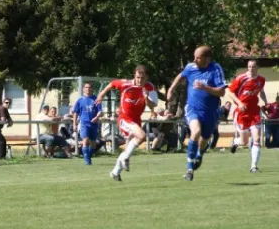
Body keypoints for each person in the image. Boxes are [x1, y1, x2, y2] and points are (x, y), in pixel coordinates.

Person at [167, 46, 227, 181]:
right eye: (194, 56)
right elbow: (181, 76)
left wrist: (205, 87)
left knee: (205, 139)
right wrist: (171, 89)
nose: (195, 59)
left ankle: (199, 155)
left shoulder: (215, 69)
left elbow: (221, 92)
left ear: (207, 58)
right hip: (192, 108)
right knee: (196, 132)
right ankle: (189, 169)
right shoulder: (190, 67)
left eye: (198, 57)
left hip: (210, 111)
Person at [96, 65, 158, 181]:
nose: (140, 80)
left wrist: (146, 97)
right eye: (138, 77)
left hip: (136, 120)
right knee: (142, 136)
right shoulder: (125, 84)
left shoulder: (149, 87)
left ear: (147, 77)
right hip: (124, 118)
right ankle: (125, 158)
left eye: (143, 78)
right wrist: (101, 94)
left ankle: (115, 172)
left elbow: (153, 105)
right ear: (134, 75)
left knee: (129, 146)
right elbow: (112, 84)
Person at [226, 60, 267, 172]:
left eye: (253, 67)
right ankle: (235, 142)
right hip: (241, 112)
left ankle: (253, 166)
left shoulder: (261, 80)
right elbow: (230, 92)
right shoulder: (241, 78)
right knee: (244, 142)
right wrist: (239, 103)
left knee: (257, 138)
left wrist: (266, 103)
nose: (251, 69)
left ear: (257, 67)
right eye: (249, 67)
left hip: (254, 111)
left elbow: (261, 91)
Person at [73, 82, 102, 165]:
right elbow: (75, 113)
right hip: (84, 123)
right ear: (83, 89)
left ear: (92, 89)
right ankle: (87, 161)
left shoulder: (96, 99)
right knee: (85, 140)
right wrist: (74, 124)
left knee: (93, 144)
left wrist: (96, 117)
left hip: (94, 124)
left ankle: (88, 156)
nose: (88, 89)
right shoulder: (80, 100)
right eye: (86, 87)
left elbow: (100, 111)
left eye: (89, 87)